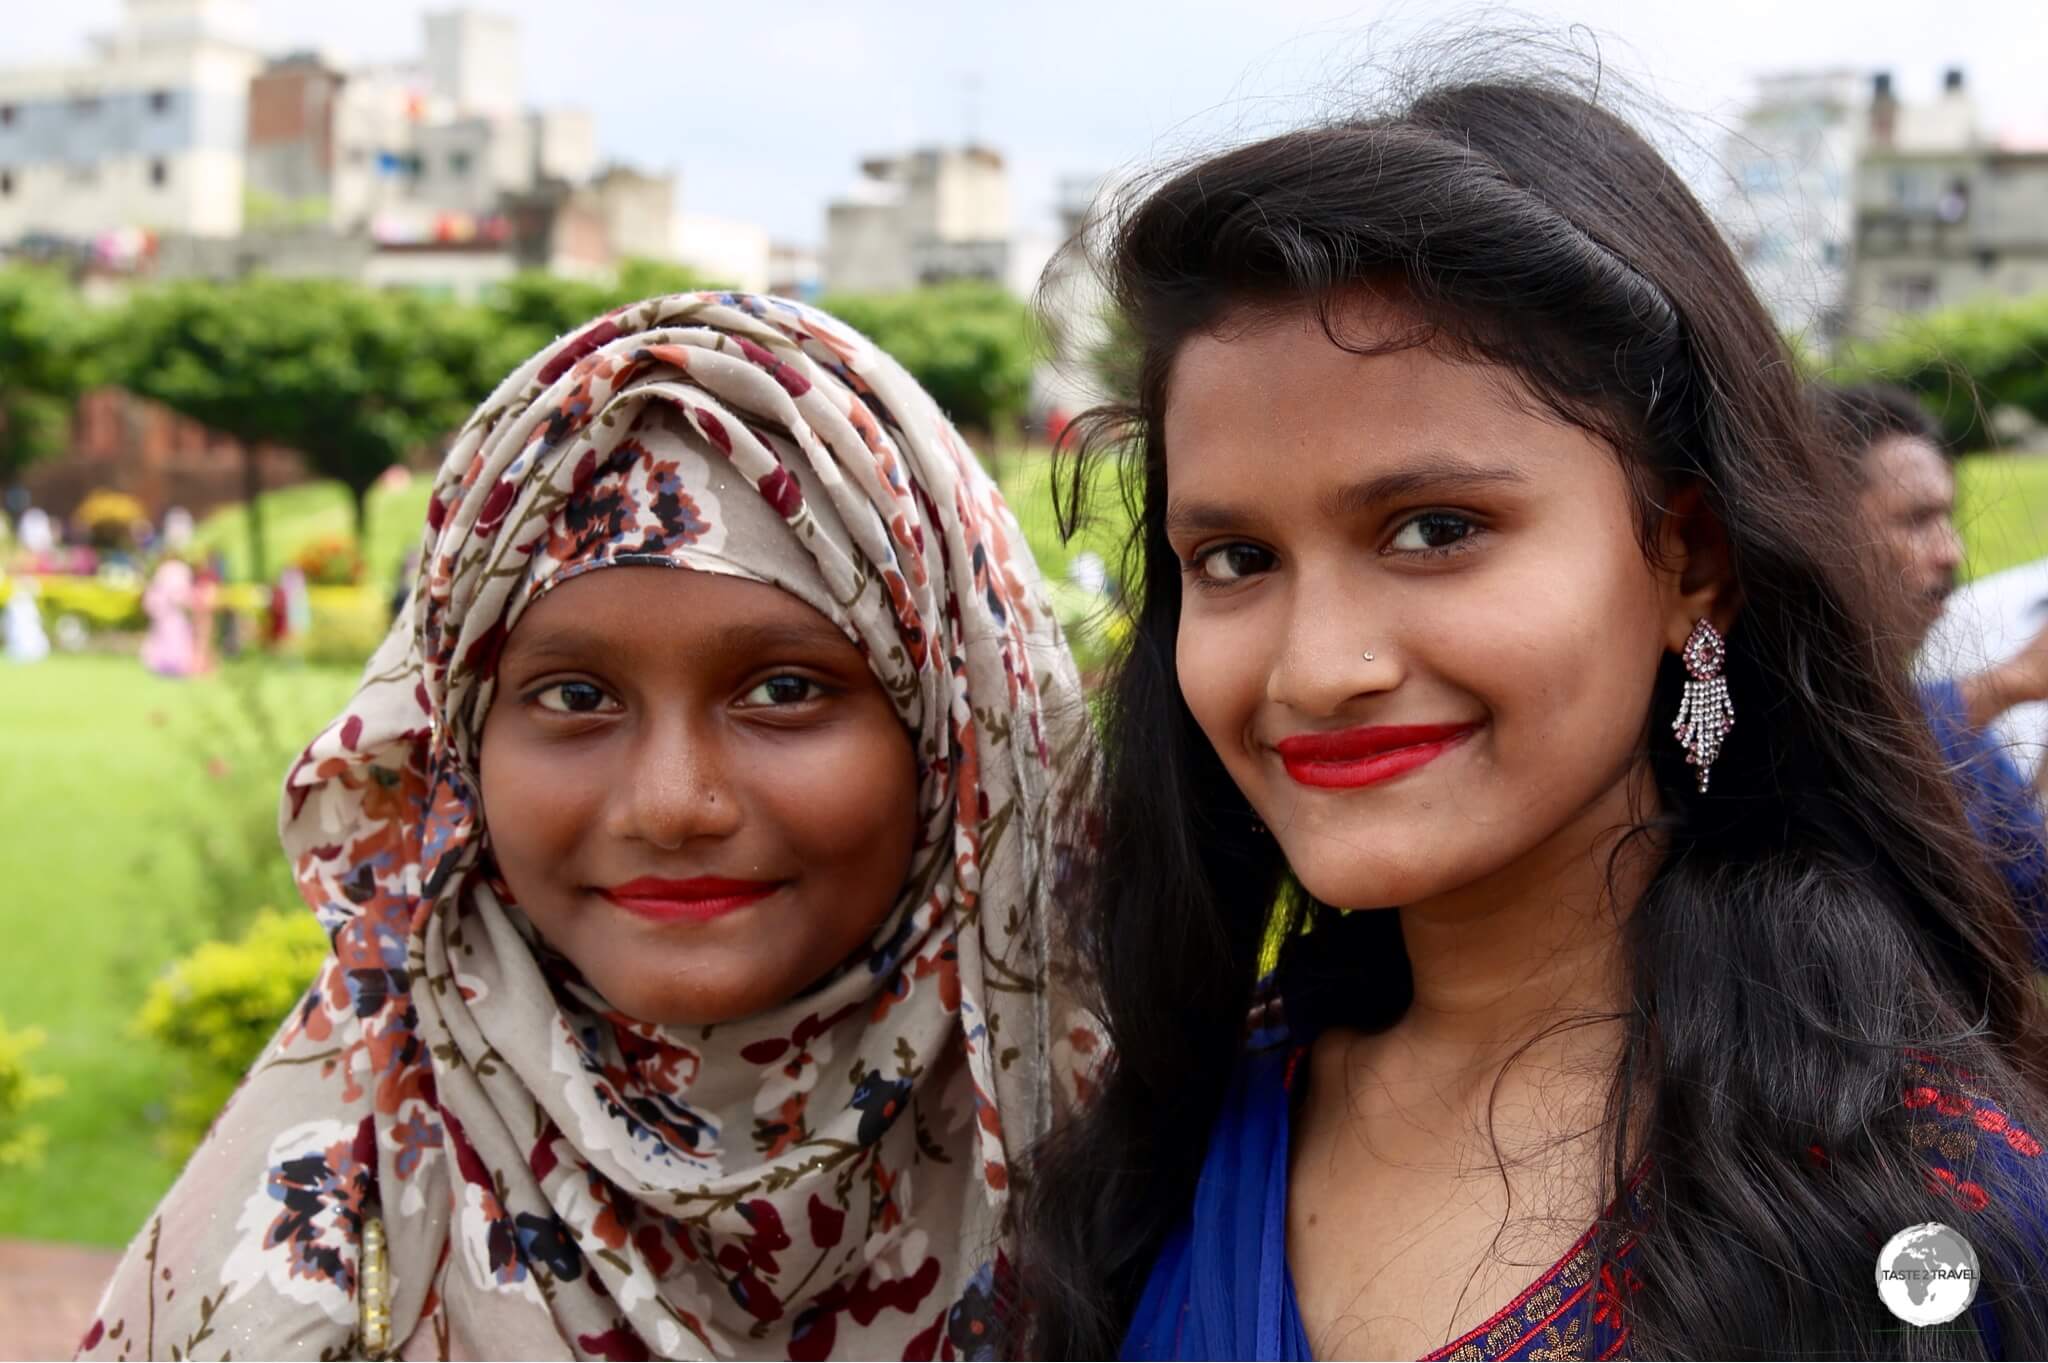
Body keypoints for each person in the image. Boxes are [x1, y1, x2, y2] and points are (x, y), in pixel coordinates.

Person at [1019, 75, 2048, 1360]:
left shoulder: (1914, 1214)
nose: (1315, 666)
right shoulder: (1175, 1134)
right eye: (1232, 558)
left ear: (1689, 562)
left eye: (1434, 530)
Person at [81, 293, 1087, 1359]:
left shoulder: (1197, 1191)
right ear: (458, 744)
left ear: (957, 738)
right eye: (572, 697)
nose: (670, 804)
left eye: (784, 688)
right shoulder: (334, 1219)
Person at [1813, 380, 2048, 966]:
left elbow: (2035, 917)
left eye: (1947, 518)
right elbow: (1838, 761)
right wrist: (2009, 683)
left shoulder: (1948, 726)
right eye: (1917, 520)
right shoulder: (1734, 702)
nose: (1951, 553)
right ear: (1811, 524)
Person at [139, 556, 199, 678]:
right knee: (173, 637)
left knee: (169, 637)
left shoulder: (168, 569)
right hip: (169, 612)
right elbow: (180, 593)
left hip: (167, 612)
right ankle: (171, 665)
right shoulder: (179, 569)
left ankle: (170, 665)